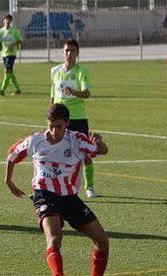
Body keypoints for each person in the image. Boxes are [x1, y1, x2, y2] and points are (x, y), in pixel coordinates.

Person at [5, 103, 112, 276]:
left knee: (103, 241)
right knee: (54, 237)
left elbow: (100, 150)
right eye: (51, 126)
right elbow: (13, 155)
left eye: (59, 127)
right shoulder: (36, 140)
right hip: (44, 195)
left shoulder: (76, 139)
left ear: (67, 124)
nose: (54, 131)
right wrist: (8, 180)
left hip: (70, 198)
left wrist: (100, 142)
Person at [51, 39, 99, 198]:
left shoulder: (82, 71)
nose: (69, 54)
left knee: (84, 154)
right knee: (56, 152)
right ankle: (57, 185)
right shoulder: (55, 71)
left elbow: (87, 93)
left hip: (78, 117)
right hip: (59, 120)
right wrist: (51, 116)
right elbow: (53, 96)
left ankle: (90, 186)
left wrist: (75, 92)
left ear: (77, 53)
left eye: (72, 51)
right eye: (66, 51)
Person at [0, 14, 24, 96]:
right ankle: (18, 90)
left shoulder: (14, 30)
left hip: (12, 54)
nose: (7, 21)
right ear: (4, 20)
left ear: (11, 21)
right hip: (4, 54)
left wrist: (13, 44)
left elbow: (20, 40)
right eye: (6, 19)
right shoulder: (1, 31)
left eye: (9, 20)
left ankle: (2, 90)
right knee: (10, 72)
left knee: (7, 71)